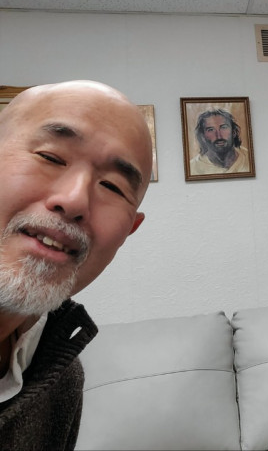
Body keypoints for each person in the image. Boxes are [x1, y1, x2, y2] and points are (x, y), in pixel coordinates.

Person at [0, 80, 153, 449]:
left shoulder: (59, 378)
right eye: (50, 157)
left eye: (112, 187)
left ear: (129, 231)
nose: (74, 201)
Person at [189, 108, 250, 175]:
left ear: (233, 132)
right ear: (203, 136)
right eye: (211, 130)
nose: (219, 136)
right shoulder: (192, 168)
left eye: (223, 127)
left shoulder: (249, 158)